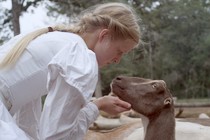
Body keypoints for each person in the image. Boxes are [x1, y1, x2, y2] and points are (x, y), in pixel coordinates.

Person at [0, 2, 141, 140]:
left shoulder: (55, 39)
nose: (117, 60)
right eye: (119, 51)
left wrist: (99, 104)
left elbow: (26, 113)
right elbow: (56, 136)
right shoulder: (80, 57)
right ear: (104, 36)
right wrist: (96, 107)